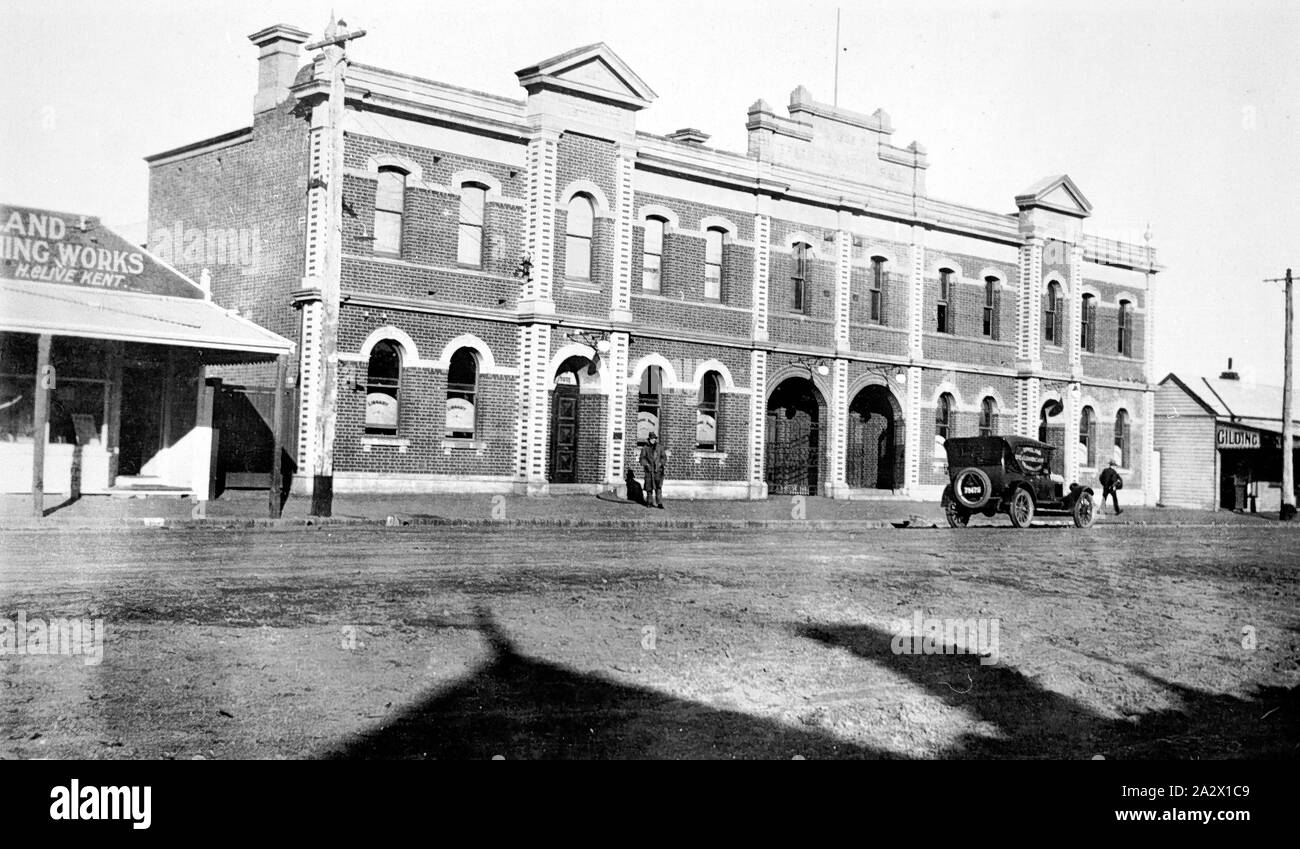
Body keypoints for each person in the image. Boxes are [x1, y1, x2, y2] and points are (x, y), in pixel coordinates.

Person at [638, 431, 668, 509]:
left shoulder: (660, 447)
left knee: (658, 487)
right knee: (649, 488)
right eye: (652, 438)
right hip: (649, 471)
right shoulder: (645, 448)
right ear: (649, 439)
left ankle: (659, 503)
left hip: (658, 471)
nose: (653, 440)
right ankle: (649, 502)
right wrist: (646, 465)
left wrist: (660, 464)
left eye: (654, 438)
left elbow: (664, 457)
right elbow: (642, 458)